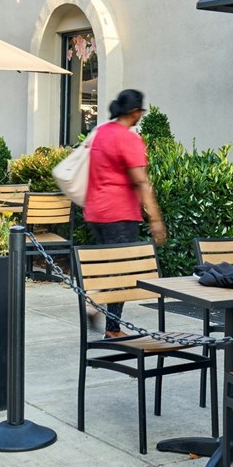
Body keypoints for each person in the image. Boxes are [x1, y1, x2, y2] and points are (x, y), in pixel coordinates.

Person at [84, 89, 166, 339]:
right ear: (134, 112)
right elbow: (141, 181)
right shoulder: (128, 139)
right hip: (120, 213)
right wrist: (155, 219)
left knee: (111, 266)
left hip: (95, 211)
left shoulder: (101, 132)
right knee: (122, 269)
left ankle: (95, 304)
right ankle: (111, 327)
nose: (141, 115)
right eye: (141, 111)